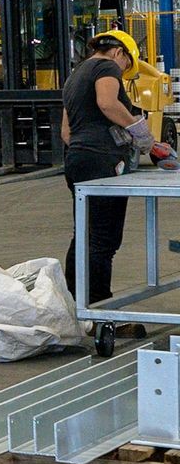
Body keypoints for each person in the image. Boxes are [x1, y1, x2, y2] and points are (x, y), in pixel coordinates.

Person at [60, 29, 150, 306]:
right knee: (103, 239)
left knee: (84, 233)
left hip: (77, 161)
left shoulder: (75, 75)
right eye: (126, 66)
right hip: (102, 164)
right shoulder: (106, 66)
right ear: (119, 52)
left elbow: (67, 131)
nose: (122, 73)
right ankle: (101, 308)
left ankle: (75, 302)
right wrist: (137, 129)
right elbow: (108, 103)